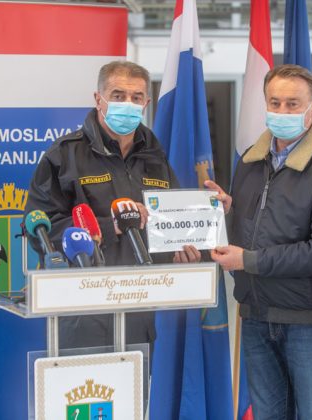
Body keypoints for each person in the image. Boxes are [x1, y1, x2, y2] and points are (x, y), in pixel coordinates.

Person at [206, 64, 312, 420]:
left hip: (309, 320)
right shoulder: (251, 160)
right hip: (257, 314)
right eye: (275, 102)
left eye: (293, 104)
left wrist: (249, 261)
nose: (282, 111)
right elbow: (253, 227)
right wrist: (226, 212)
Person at [25, 61, 200, 350]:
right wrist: (111, 227)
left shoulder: (155, 158)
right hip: (82, 312)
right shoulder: (65, 155)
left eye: (136, 97)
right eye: (118, 96)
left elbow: (172, 222)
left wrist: (184, 250)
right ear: (99, 99)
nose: (127, 104)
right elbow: (41, 230)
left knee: (137, 381)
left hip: (140, 309)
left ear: (146, 103)